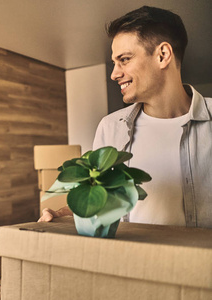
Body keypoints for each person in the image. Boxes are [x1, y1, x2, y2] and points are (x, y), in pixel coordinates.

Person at [39, 6, 212, 228]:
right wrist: (62, 214)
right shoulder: (110, 128)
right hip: (131, 261)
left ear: (162, 55)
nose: (114, 73)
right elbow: (98, 201)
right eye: (114, 62)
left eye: (124, 59)